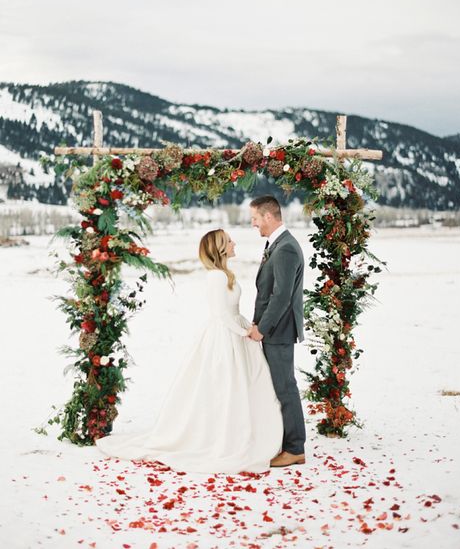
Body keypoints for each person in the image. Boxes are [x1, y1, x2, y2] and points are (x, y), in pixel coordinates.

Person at [95, 229, 283, 474]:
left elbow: (231, 311)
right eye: (228, 241)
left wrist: (246, 327)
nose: (234, 242)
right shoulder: (215, 277)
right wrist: (243, 332)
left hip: (237, 331)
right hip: (225, 337)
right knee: (225, 386)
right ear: (220, 248)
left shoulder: (225, 274)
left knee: (247, 385)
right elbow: (220, 314)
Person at [248, 196, 306, 468]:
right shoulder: (278, 245)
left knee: (285, 387)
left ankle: (295, 448)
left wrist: (263, 328)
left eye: (255, 219)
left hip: (278, 330)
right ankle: (285, 441)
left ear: (268, 217)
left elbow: (281, 296)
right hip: (274, 329)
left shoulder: (285, 249)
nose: (253, 224)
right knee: (280, 386)